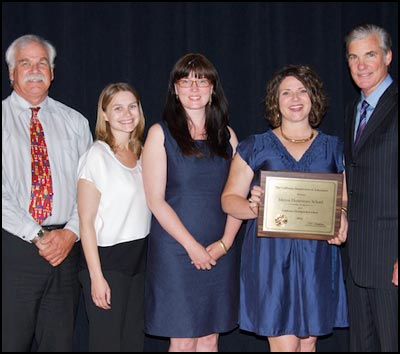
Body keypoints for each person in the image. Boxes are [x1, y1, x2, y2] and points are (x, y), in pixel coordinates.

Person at [221, 64, 349, 352]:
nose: (295, 98)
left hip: (318, 256)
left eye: (302, 91)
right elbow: (228, 199)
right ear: (275, 102)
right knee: (285, 345)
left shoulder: (334, 147)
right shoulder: (255, 146)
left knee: (309, 343)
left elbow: (343, 200)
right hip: (271, 260)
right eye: (286, 92)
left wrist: (342, 217)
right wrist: (255, 208)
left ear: (313, 98)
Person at [142, 53, 242, 352]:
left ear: (213, 88)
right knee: (184, 340)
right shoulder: (160, 134)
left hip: (219, 249)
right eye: (185, 82)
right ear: (175, 89)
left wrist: (224, 243)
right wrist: (191, 246)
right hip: (176, 251)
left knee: (210, 338)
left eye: (202, 81)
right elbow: (155, 201)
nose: (194, 89)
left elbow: (236, 198)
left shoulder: (228, 137)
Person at [2, 34, 93, 351]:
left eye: (42, 62)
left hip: (66, 252)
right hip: (13, 249)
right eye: (25, 63)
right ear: (11, 72)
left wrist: (71, 232)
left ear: (53, 72)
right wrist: (37, 235)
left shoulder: (76, 123)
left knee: (59, 345)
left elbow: (91, 189)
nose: (35, 69)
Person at [77, 82, 151, 351]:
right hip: (106, 262)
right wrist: (96, 277)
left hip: (138, 261)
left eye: (132, 106)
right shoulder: (96, 156)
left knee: (133, 343)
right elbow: (85, 222)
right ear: (105, 114)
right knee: (107, 345)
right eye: (117, 108)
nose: (127, 113)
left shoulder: (142, 153)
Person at [342, 23, 398, 352]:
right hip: (359, 260)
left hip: (391, 259)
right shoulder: (354, 111)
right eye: (353, 57)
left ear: (388, 57)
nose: (361, 65)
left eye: (370, 55)